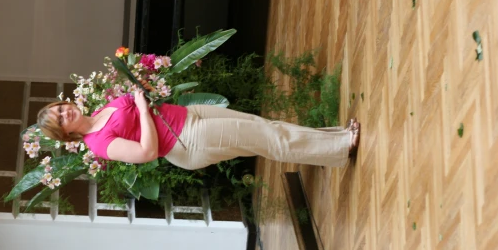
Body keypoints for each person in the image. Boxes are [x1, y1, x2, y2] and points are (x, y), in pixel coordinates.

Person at [36, 90, 360, 170]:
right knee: (269, 140)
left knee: (264, 127)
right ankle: (342, 146)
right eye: (61, 118)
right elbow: (146, 152)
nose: (65, 112)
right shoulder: (98, 144)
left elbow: (142, 103)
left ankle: (333, 140)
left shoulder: (100, 110)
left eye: (61, 107)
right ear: (65, 133)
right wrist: (145, 110)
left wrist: (145, 92)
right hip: (186, 141)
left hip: (189, 116)